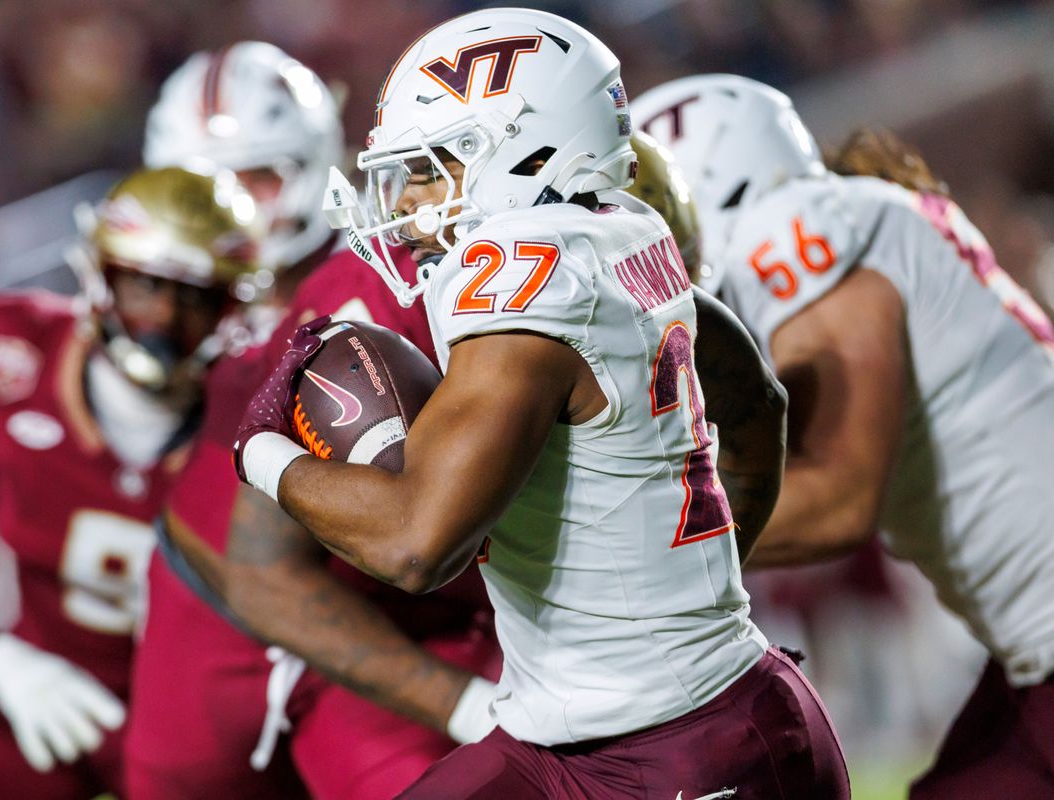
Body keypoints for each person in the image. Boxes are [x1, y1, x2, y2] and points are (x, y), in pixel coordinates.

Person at [235, 9, 848, 798]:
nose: (406, 203)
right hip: (571, 735)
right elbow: (756, 402)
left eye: (430, 170)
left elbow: (414, 546)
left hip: (684, 742)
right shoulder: (623, 230)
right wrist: (703, 595)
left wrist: (262, 450)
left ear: (527, 154)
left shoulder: (526, 280)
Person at [632, 75, 1054, 798]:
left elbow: (835, 500)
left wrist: (626, 540)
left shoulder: (795, 228)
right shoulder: (856, 215)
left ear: (711, 189)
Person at [128, 42, 500, 800]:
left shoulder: (394, 265)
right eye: (204, 188)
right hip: (222, 606)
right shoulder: (166, 300)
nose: (234, 211)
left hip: (395, 616)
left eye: (255, 179)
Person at [0, 166, 260, 800]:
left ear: (231, 305)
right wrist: (1, 664)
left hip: (204, 712)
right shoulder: (12, 362)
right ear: (100, 274)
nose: (163, 315)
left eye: (194, 294)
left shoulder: (259, 408)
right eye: (146, 283)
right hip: (42, 676)